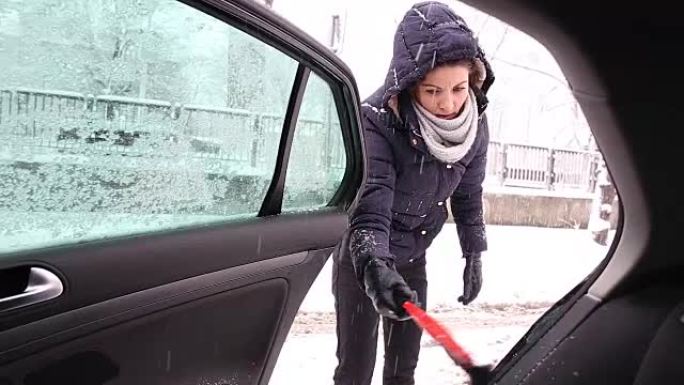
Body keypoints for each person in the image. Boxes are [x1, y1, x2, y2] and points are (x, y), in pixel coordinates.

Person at [331, 2, 495, 384]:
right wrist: (374, 268)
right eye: (432, 90)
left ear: (472, 80)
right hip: (364, 259)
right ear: (409, 84)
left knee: (403, 371)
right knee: (355, 370)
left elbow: (469, 195)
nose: (448, 103)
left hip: (413, 256)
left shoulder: (474, 128)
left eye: (457, 88)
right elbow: (371, 207)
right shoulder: (378, 121)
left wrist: (474, 252)